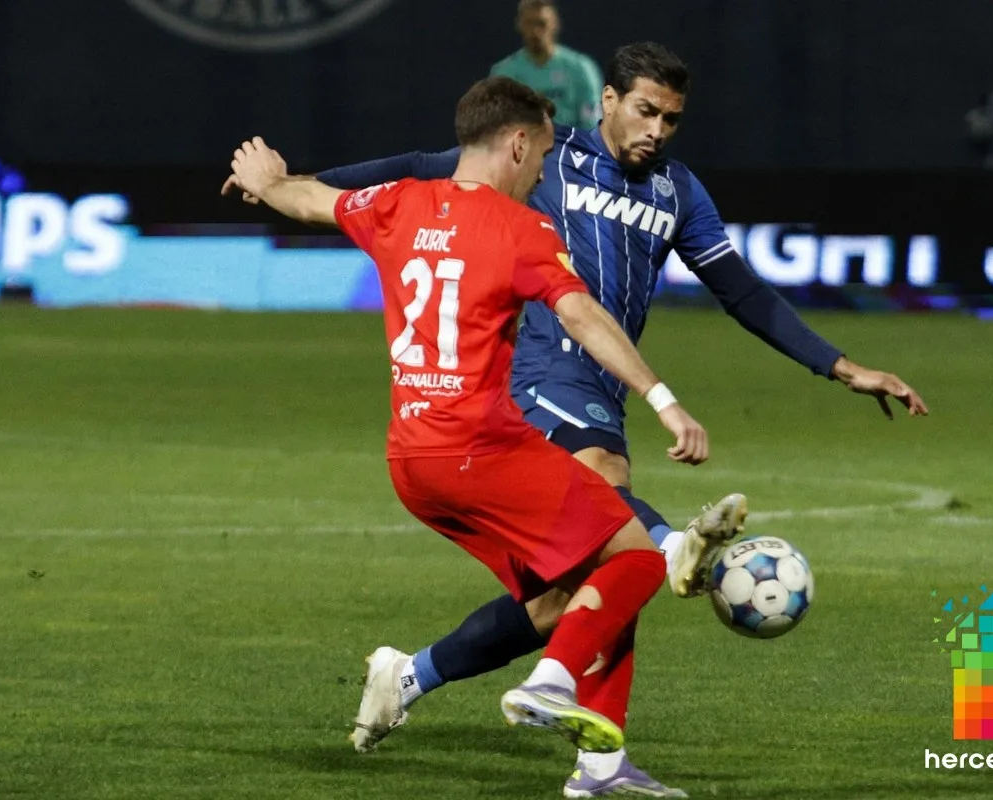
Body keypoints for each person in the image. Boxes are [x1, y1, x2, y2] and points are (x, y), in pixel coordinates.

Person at [290, 41, 929, 797]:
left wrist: (839, 365)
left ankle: (418, 679)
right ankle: (675, 548)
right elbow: (419, 167)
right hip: (535, 375)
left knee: (562, 603)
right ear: (609, 101)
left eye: (671, 119)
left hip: (605, 385)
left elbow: (742, 291)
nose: (656, 130)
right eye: (645, 111)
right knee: (616, 521)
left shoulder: (676, 192)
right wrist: (296, 184)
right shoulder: (543, 156)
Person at [223, 77, 712, 791]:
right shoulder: (521, 229)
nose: (542, 171)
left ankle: (600, 768)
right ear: (516, 144)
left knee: (579, 592)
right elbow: (580, 315)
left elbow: (310, 200)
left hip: (412, 462)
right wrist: (663, 399)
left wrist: (267, 181)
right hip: (481, 449)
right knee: (637, 557)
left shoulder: (395, 204)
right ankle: (551, 683)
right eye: (541, 154)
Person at [490, 0, 603, 129]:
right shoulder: (504, 73)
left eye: (541, 23)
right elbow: (498, 124)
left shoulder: (581, 69)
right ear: (519, 25)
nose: (535, 31)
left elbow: (592, 123)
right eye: (529, 23)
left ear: (555, 24)